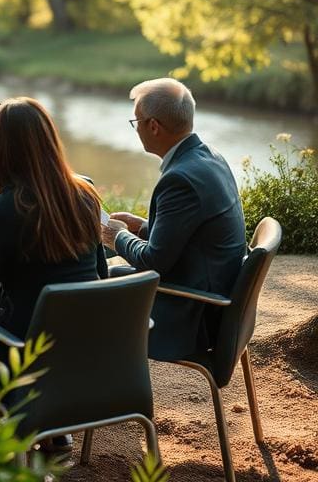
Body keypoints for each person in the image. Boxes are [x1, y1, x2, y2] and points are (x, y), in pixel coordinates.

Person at [0, 98, 108, 366]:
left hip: (23, 346)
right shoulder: (85, 194)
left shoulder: (1, 209)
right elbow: (101, 273)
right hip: (83, 338)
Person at [102, 78, 247, 360]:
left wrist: (115, 236)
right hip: (214, 294)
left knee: (97, 290)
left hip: (194, 314)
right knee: (109, 277)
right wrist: (141, 226)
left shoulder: (179, 179)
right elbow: (191, 236)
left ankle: (108, 390)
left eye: (136, 122)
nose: (137, 129)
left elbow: (154, 261)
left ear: (153, 126)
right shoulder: (209, 157)